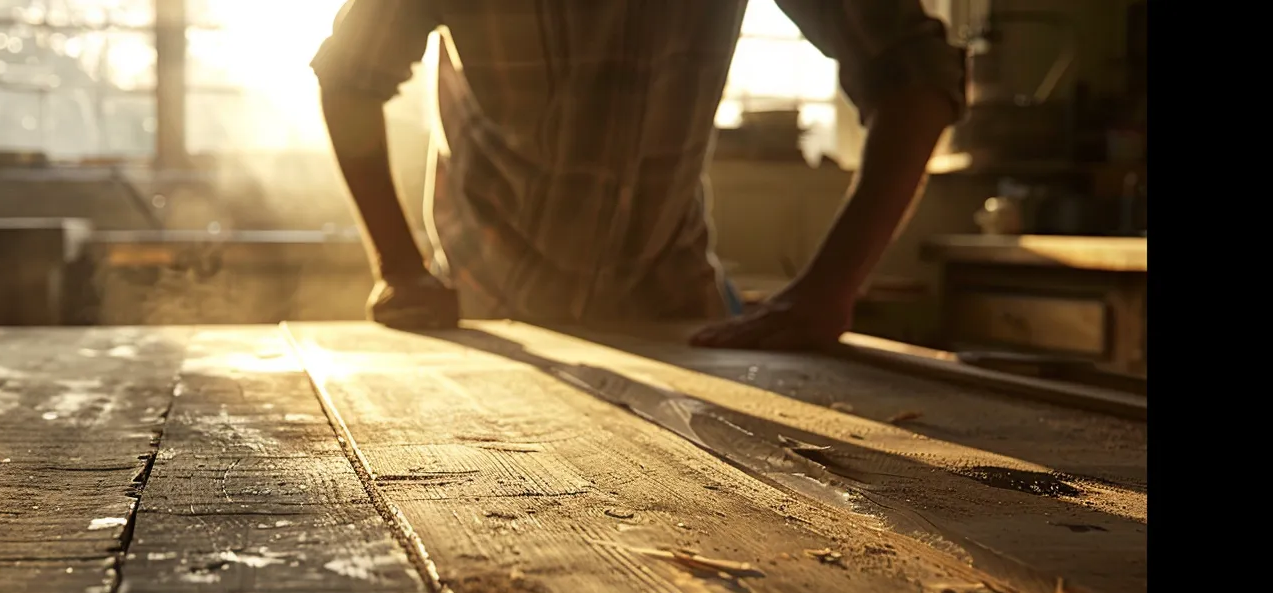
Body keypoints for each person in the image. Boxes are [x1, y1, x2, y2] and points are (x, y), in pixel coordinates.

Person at [313, 0, 965, 350]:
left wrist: (831, 285)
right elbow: (349, 77)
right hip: (491, 314)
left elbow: (915, 73)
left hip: (674, 312)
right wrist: (397, 268)